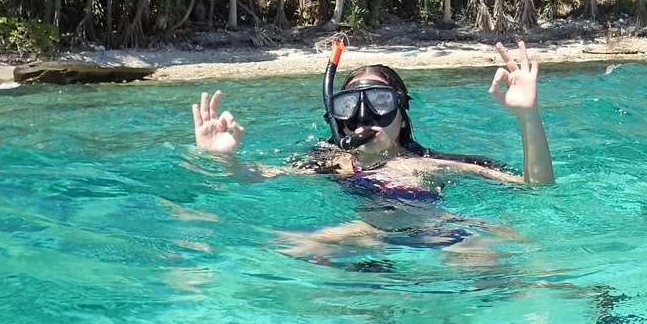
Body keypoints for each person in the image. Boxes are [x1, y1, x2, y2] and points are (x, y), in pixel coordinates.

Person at [191, 40, 554, 261]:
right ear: (336, 117)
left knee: (493, 259)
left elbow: (536, 187)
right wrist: (220, 157)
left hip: (442, 231)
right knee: (283, 250)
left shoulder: (431, 164)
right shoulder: (331, 164)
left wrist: (528, 116)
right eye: (349, 106)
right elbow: (256, 175)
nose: (365, 118)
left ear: (401, 113)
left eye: (379, 102)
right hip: (362, 233)